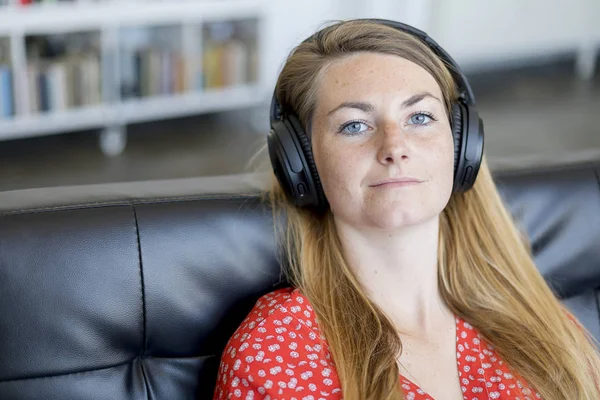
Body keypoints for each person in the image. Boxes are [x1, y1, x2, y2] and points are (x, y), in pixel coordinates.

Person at [212, 19, 600, 400]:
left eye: (419, 117)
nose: (394, 147)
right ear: (301, 163)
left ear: (462, 146)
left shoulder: (540, 323)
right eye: (355, 126)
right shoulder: (276, 353)